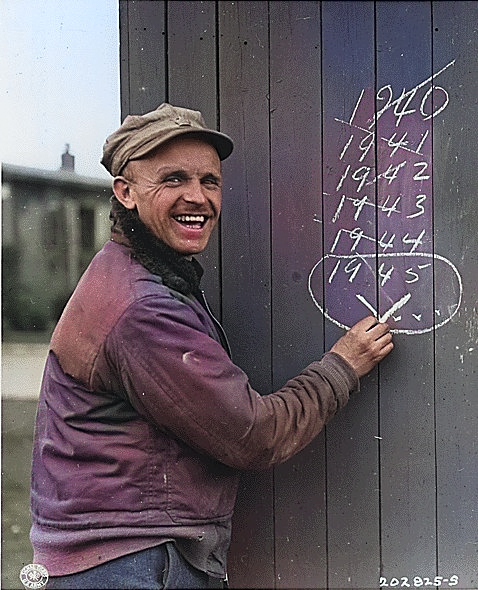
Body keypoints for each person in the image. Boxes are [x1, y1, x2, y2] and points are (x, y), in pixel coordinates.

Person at [30, 103, 393, 589]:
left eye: (210, 181)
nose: (197, 197)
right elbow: (253, 435)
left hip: (123, 555)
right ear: (126, 192)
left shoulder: (141, 273)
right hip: (132, 564)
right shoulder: (142, 309)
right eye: (173, 179)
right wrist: (343, 365)